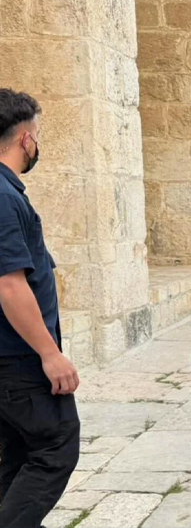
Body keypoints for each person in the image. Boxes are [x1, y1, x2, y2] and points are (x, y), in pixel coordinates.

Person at [0, 89, 80, 528]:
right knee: (56, 446)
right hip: (19, 359)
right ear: (26, 139)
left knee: (16, 455)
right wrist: (50, 354)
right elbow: (10, 286)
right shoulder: (3, 195)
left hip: (10, 357)